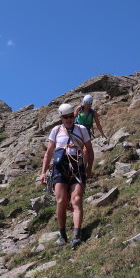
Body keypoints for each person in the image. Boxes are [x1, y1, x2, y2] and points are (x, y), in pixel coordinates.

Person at [40, 103, 94, 248]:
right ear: (61, 118)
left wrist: (88, 169)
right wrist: (43, 172)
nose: (69, 120)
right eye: (65, 117)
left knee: (76, 199)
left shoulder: (82, 129)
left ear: (73, 116)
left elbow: (90, 150)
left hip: (77, 167)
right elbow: (49, 152)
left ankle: (77, 235)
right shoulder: (56, 130)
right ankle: (62, 235)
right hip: (59, 168)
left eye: (71, 116)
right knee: (61, 201)